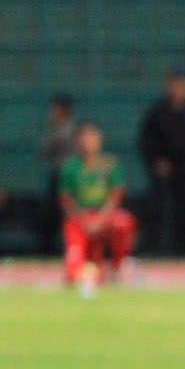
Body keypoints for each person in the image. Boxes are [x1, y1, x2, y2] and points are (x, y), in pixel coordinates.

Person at [58, 121, 137, 298]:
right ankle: (87, 270)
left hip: (104, 216)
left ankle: (118, 265)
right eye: (84, 139)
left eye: (92, 138)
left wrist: (100, 220)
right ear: (78, 142)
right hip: (80, 219)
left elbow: (115, 195)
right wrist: (85, 221)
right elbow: (67, 200)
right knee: (73, 272)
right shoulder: (70, 167)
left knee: (123, 223)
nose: (88, 142)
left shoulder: (109, 164)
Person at [139, 68, 185, 256]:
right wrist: (156, 160)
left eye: (182, 85)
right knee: (159, 207)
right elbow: (146, 140)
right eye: (175, 84)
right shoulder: (157, 112)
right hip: (163, 168)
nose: (179, 89)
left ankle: (183, 246)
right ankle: (156, 246)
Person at [39, 95, 78, 253]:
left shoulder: (67, 129)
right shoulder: (56, 127)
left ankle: (69, 247)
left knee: (64, 212)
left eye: (55, 108)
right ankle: (53, 247)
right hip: (58, 174)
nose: (51, 112)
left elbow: (47, 148)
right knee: (52, 213)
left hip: (67, 176)